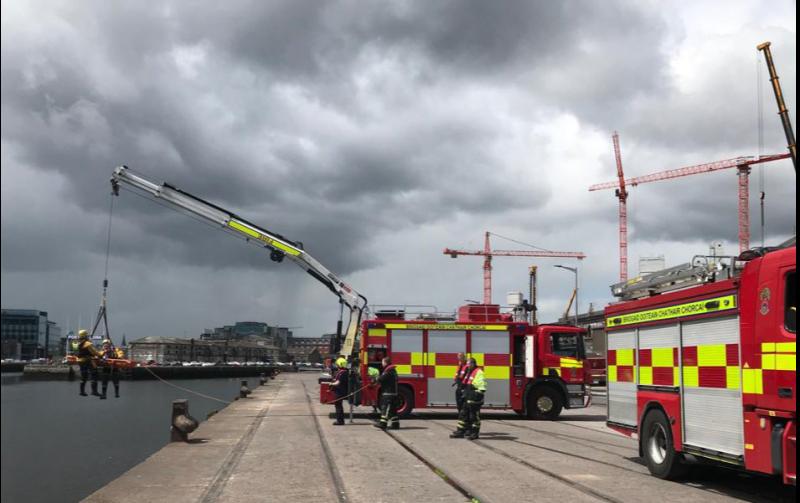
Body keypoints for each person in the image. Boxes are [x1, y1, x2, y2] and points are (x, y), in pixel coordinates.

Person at [450, 357, 486, 440]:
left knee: (473, 416)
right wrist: (460, 384)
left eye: (469, 364)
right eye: (467, 364)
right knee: (463, 414)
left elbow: (481, 387)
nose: (467, 365)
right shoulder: (469, 371)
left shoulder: (479, 372)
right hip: (467, 397)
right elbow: (465, 383)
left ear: (473, 364)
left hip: (474, 397)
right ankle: (460, 431)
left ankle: (474, 433)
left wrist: (475, 395)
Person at [373, 357, 399, 430]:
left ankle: (383, 424)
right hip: (393, 393)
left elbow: (381, 379)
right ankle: (395, 424)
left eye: (382, 362)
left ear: (385, 362)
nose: (382, 363)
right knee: (392, 410)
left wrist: (375, 379)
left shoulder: (388, 371)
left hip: (388, 394)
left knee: (385, 409)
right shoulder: (393, 370)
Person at [75, 330, 102, 397]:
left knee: (84, 376)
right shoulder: (87, 344)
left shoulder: (77, 343)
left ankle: (82, 392)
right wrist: (101, 354)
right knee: (94, 373)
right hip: (87, 360)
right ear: (85, 336)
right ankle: (94, 391)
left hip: (80, 361)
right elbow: (94, 352)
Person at [327, 357, 349, 425]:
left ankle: (340, 421)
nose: (336, 365)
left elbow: (338, 382)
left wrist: (331, 384)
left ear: (340, 364)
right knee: (338, 406)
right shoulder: (343, 372)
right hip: (340, 391)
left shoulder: (343, 373)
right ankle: (340, 420)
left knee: (338, 406)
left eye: (337, 364)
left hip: (340, 392)